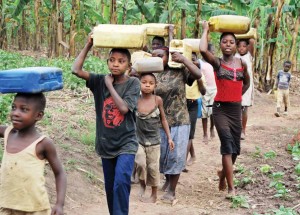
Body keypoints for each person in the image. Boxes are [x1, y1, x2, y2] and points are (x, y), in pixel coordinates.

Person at [72, 34, 140, 215]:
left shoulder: (133, 83)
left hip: (127, 142)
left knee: (121, 183)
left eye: (121, 61)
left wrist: (110, 86)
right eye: (112, 60)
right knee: (110, 189)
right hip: (105, 144)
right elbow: (76, 70)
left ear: (128, 65)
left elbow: (124, 108)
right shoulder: (98, 80)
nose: (115, 64)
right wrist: (88, 45)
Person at [200, 21, 250, 198]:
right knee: (227, 146)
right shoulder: (217, 63)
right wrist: (206, 29)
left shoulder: (242, 64)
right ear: (220, 45)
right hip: (220, 109)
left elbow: (246, 83)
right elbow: (203, 50)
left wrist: (236, 96)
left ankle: (222, 174)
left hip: (235, 109)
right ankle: (231, 188)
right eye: (224, 41)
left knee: (235, 149)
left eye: (231, 42)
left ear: (236, 45)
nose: (228, 44)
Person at [0, 93, 66, 215]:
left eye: (24, 109)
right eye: (14, 107)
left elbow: (59, 173)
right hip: (6, 205)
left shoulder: (43, 143)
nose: (15, 113)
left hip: (34, 209)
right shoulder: (7, 132)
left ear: (39, 115)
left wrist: (59, 204)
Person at [152, 46, 202, 203]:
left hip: (179, 119)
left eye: (161, 56)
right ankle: (167, 178)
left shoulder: (180, 70)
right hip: (158, 121)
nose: (157, 59)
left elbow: (198, 74)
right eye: (154, 56)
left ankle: (172, 190)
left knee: (177, 155)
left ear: (168, 56)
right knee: (162, 154)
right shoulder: (150, 73)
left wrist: (184, 59)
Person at [135, 73, 174, 203]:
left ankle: (154, 195)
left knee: (153, 168)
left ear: (155, 86)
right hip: (138, 139)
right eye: (144, 82)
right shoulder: (135, 99)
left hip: (154, 141)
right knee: (140, 163)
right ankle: (142, 183)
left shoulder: (157, 100)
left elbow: (163, 120)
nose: (147, 85)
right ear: (139, 83)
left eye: (151, 83)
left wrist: (169, 138)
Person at [183, 52, 206, 170]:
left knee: (189, 133)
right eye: (189, 60)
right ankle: (192, 155)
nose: (191, 63)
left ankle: (183, 162)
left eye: (193, 60)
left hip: (192, 104)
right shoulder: (181, 73)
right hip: (181, 104)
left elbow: (203, 92)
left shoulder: (199, 75)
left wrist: (199, 79)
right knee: (184, 132)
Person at [235, 38, 255, 140]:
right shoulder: (235, 56)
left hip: (247, 85)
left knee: (244, 109)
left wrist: (245, 34)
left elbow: (251, 40)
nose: (241, 48)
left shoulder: (249, 56)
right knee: (237, 108)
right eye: (239, 46)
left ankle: (243, 130)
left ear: (247, 47)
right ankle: (237, 130)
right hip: (236, 85)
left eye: (243, 46)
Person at [199, 44, 217, 144]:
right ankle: (205, 133)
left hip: (214, 89)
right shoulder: (200, 62)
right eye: (212, 50)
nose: (213, 52)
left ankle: (212, 128)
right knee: (204, 112)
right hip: (205, 90)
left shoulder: (214, 62)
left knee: (213, 111)